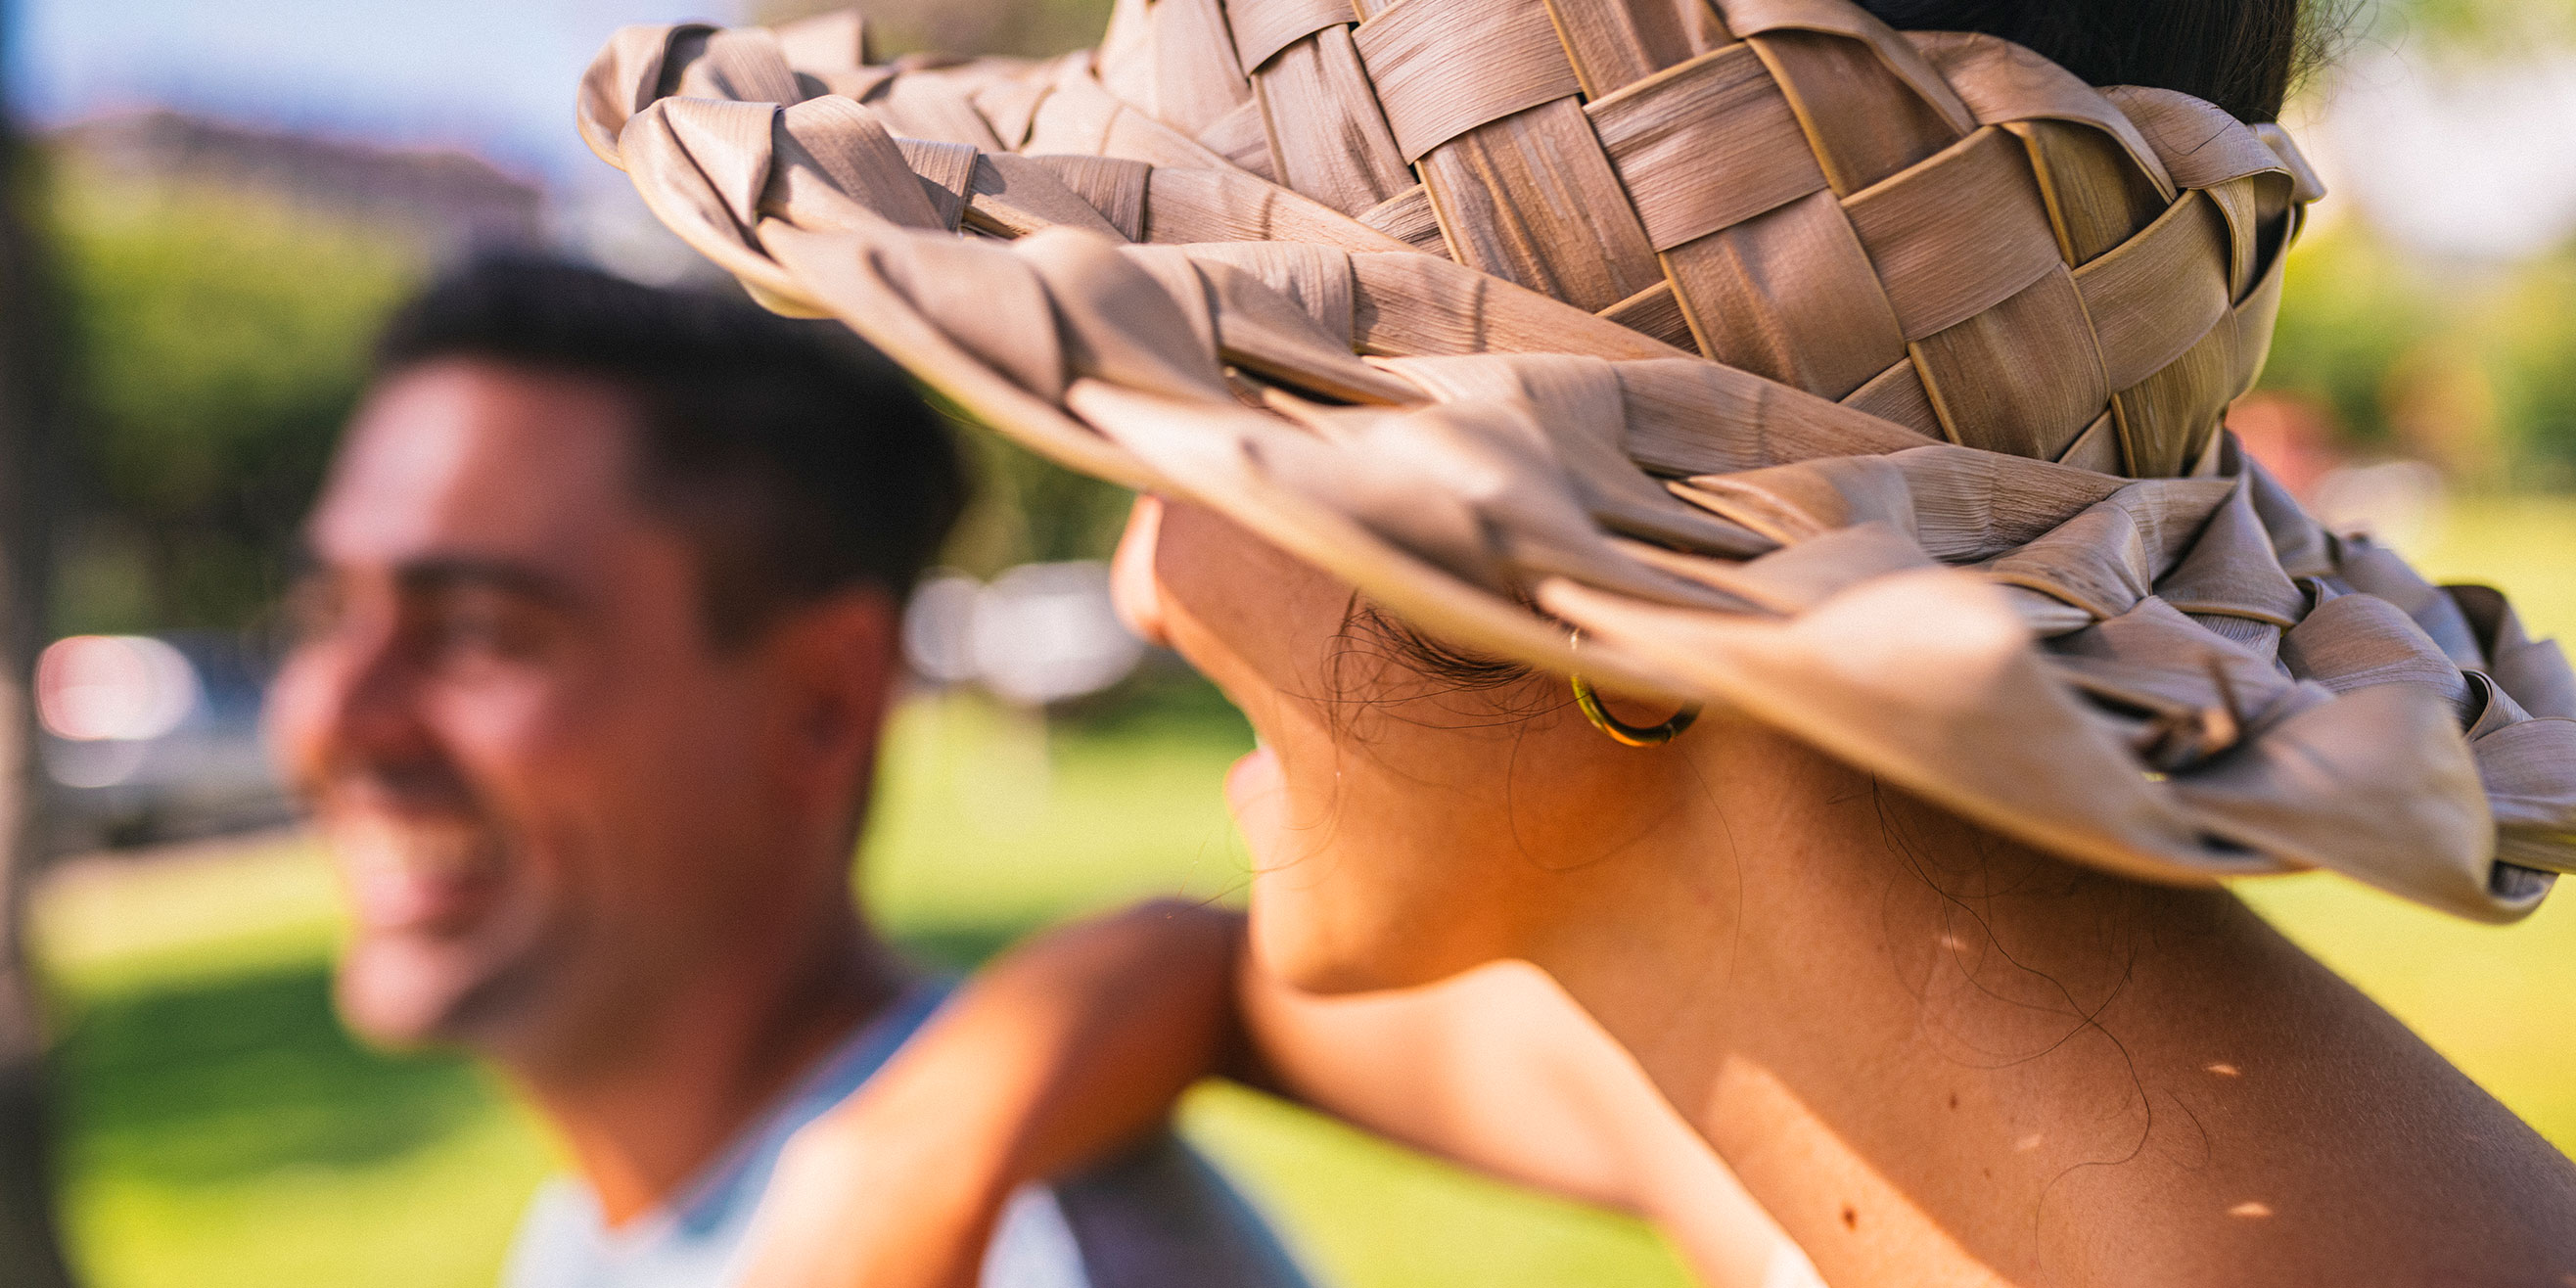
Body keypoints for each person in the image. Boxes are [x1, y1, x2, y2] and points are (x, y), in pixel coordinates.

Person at [582, 0, 2576, 1283]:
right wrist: (916, 1148)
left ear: (1606, 594)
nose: (1146, 581)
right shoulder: (1858, 1094)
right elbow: (1227, 978)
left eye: (1212, 437)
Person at [264, 258, 1314, 1288]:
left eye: (482, 632)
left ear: (822, 702)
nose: (332, 716)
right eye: (328, 616)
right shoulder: (591, 1235)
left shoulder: (1000, 1244)